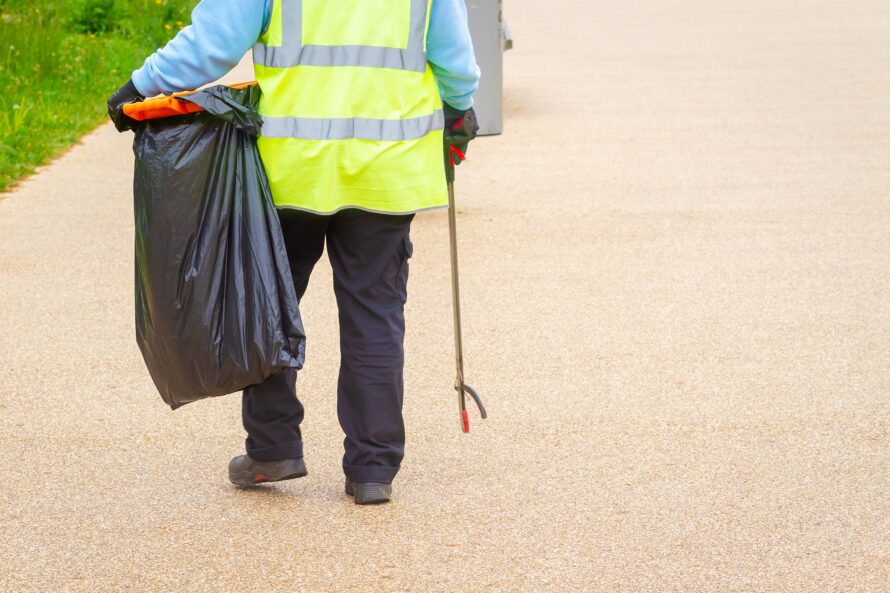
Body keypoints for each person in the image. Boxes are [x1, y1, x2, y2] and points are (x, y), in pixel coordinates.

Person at [107, 0, 480, 504]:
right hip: (386, 170)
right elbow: (456, 63)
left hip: (288, 172)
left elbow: (210, 47)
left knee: (266, 304)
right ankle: (372, 469)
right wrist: (458, 108)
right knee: (375, 314)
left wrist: (139, 86)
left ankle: (273, 448)